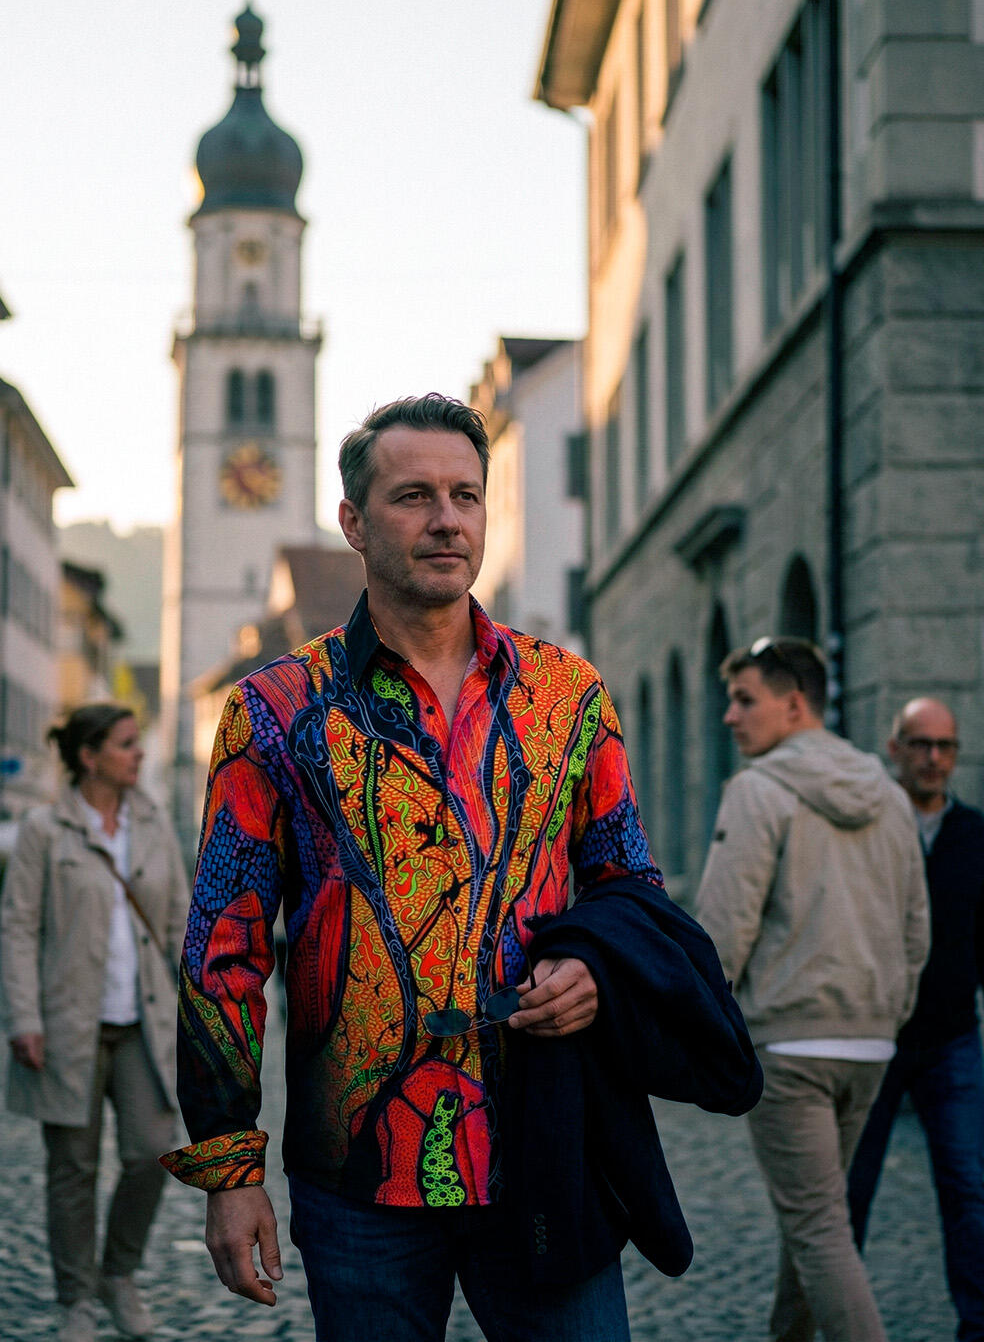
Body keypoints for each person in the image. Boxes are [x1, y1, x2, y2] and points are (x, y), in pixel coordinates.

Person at [161, 393, 762, 1342]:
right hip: (358, 1174)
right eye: (414, 496)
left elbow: (629, 889)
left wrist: (594, 972)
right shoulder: (273, 712)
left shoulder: (568, 696)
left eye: (466, 496)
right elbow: (222, 953)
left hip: (543, 1144)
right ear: (355, 523)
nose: (447, 519)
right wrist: (230, 1172)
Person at [695, 637, 929, 1342]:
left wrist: (701, 1036)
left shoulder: (757, 791)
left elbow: (720, 934)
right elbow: (916, 926)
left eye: (745, 700)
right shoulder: (890, 798)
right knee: (819, 1220)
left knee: (820, 1228)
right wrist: (888, 1009)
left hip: (793, 1045)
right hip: (870, 1042)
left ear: (794, 704)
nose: (730, 717)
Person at [0, 704, 189, 1342]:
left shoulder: (155, 823)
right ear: (89, 756)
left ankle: (119, 1274)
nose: (138, 755)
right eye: (126, 745)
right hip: (67, 1024)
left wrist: (197, 1009)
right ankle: (76, 1299)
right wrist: (25, 1019)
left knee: (152, 1152)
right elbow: (20, 930)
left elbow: (178, 927)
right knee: (72, 1170)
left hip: (143, 1022)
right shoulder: (43, 831)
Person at [848, 697, 984, 1340]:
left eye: (946, 747)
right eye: (921, 744)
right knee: (849, 1193)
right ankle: (838, 1321)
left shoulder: (976, 836)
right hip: (873, 1038)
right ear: (895, 748)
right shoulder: (868, 829)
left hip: (952, 1041)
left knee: (969, 1189)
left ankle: (977, 1324)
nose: (935, 759)